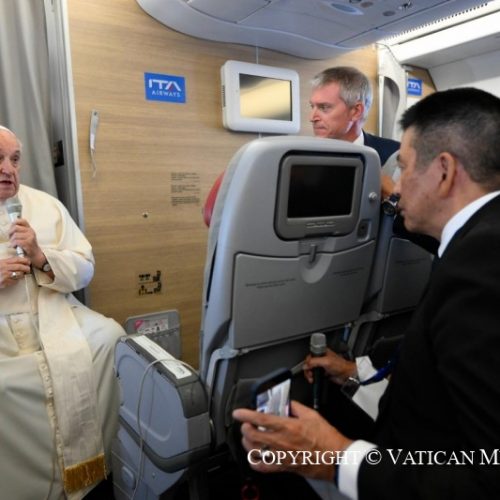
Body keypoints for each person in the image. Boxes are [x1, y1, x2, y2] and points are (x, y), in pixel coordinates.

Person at [233, 87, 500, 499]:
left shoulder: (481, 268)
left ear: (444, 171)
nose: (397, 187)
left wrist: (335, 457)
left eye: (405, 168)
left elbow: (487, 471)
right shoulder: (477, 241)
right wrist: (354, 371)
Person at [0, 126, 125, 499]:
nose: (8, 169)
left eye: (15, 159)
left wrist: (41, 256)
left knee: (112, 338)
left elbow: (85, 268)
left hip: (52, 312)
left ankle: (98, 466)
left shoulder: (46, 206)